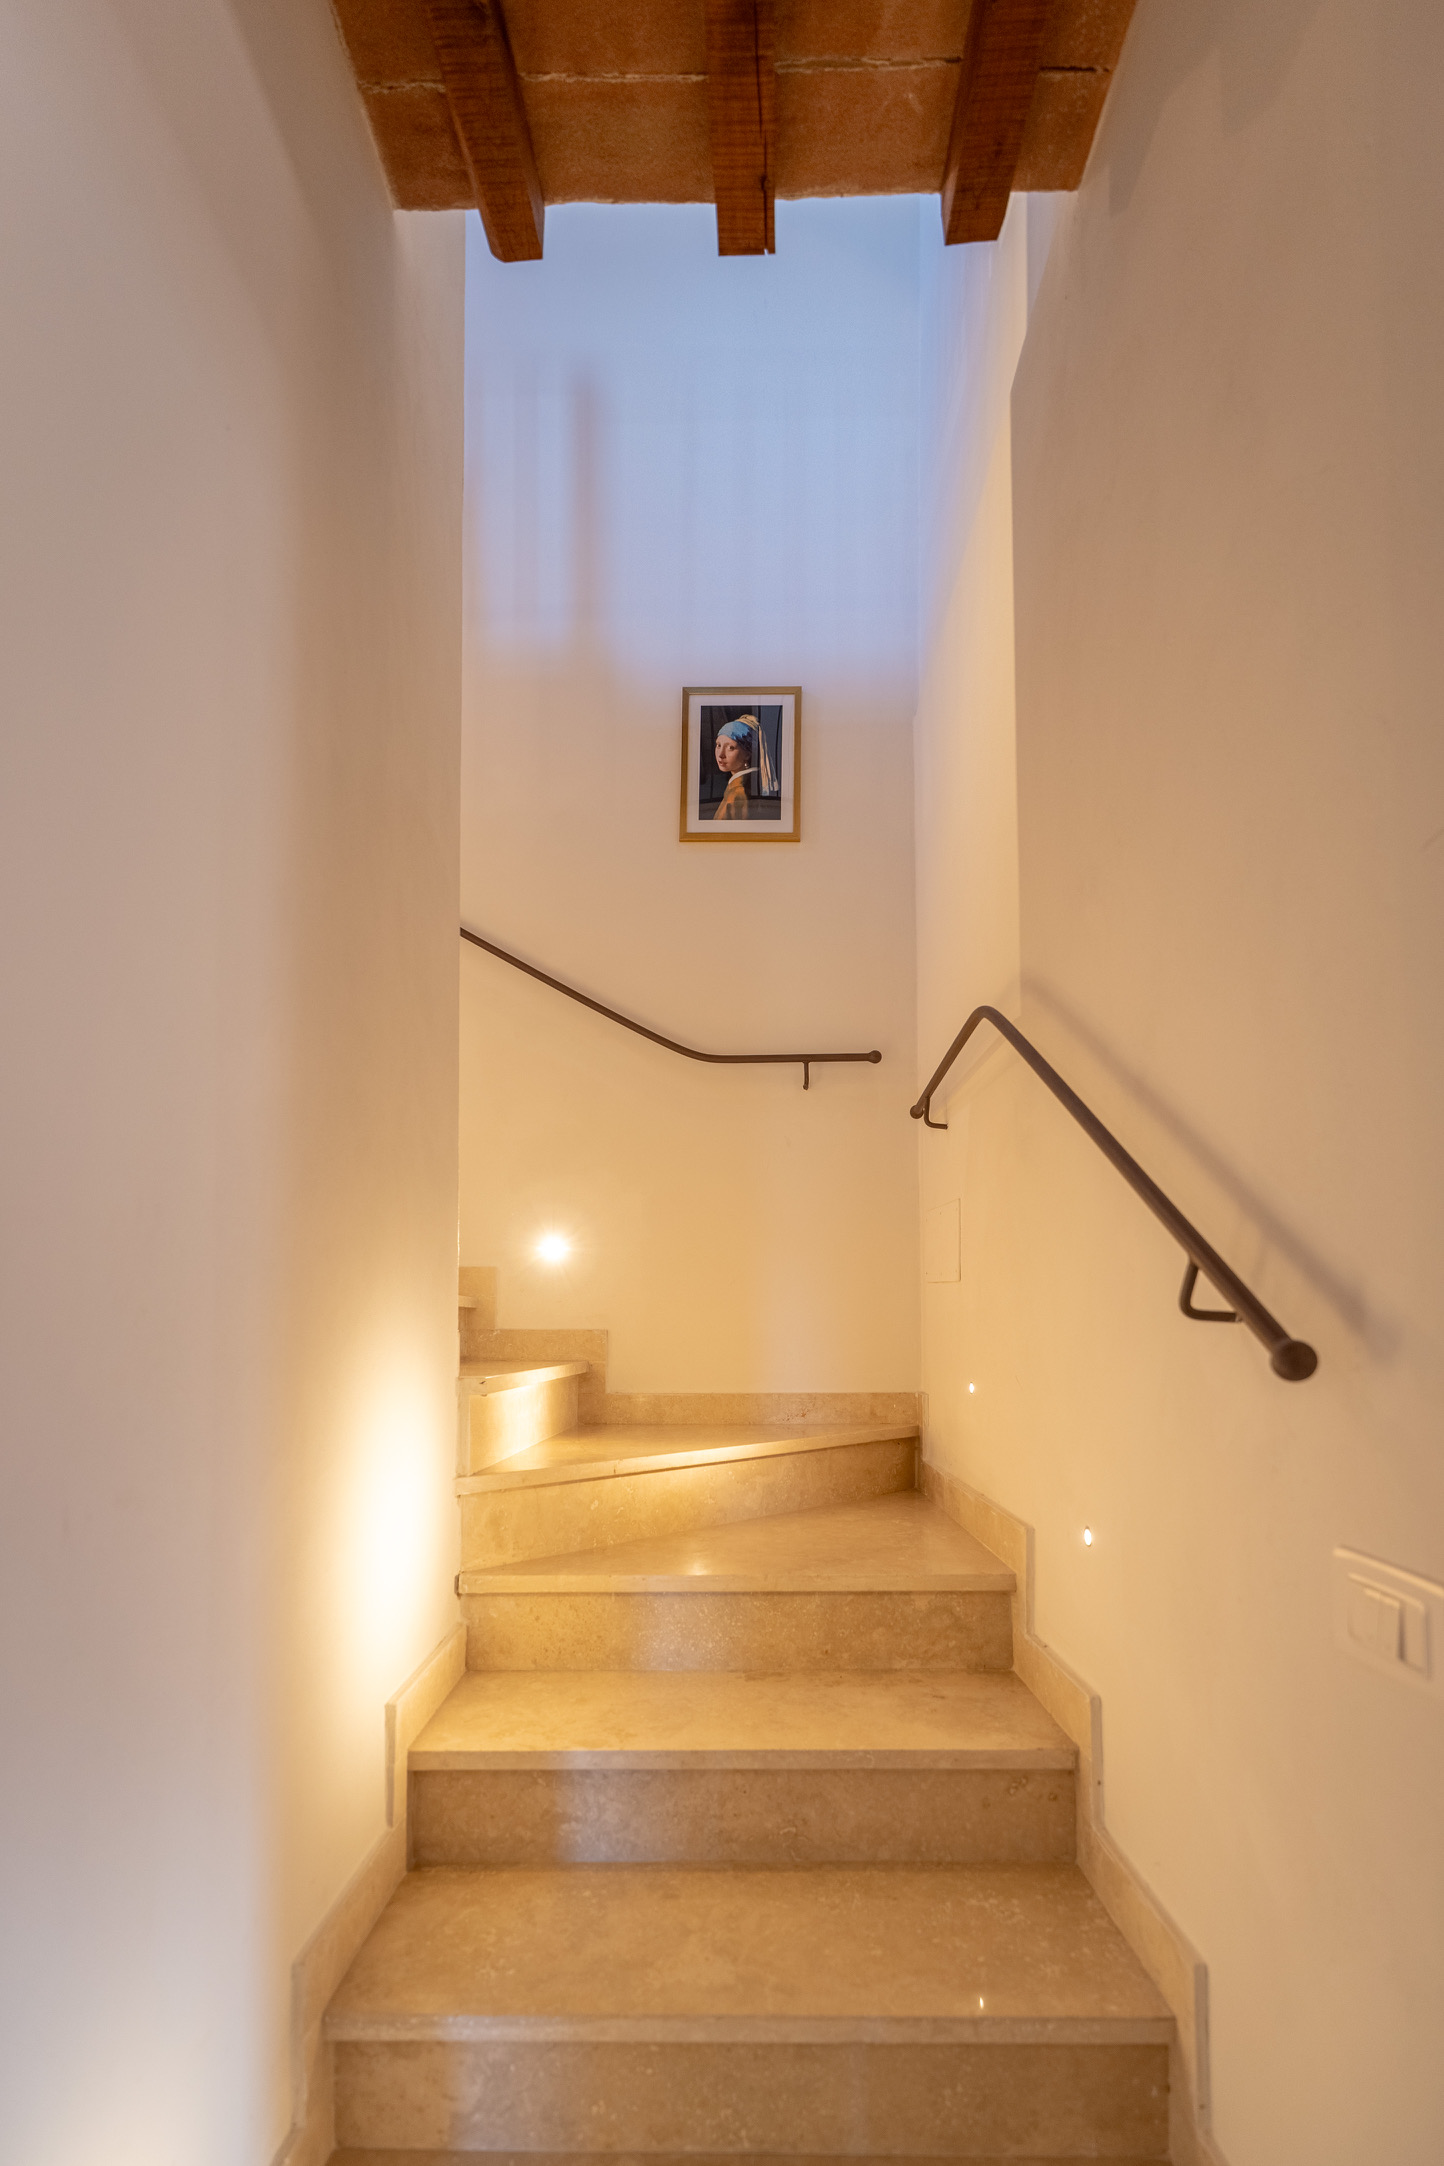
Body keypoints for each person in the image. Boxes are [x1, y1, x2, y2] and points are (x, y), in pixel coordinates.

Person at [711, 714, 776, 820]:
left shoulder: (738, 793)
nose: (721, 754)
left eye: (730, 748)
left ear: (747, 754)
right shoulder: (745, 783)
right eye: (718, 745)